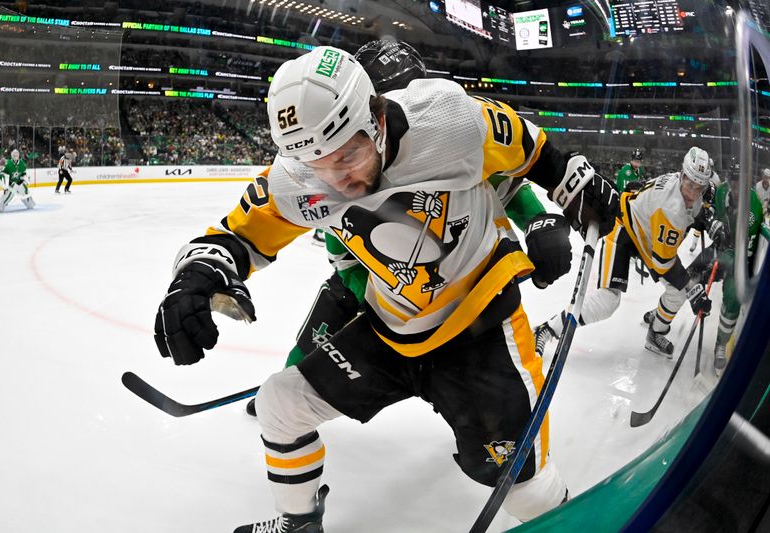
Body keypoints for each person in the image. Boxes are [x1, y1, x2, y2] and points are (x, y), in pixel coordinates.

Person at [153, 46, 618, 532]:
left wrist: (570, 181)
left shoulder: (451, 122)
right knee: (280, 404)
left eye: (349, 155)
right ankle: (300, 524)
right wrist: (196, 277)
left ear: (376, 118)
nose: (340, 179)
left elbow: (530, 148)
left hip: (479, 330)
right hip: (390, 327)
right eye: (320, 167)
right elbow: (237, 236)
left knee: (528, 490)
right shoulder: (297, 179)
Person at [244, 38, 572, 418]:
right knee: (328, 314)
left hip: (447, 280)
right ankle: (297, 379)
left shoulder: (440, 137)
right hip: (378, 272)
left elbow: (506, 180)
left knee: (475, 331)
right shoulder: (350, 154)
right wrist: (353, 276)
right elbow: (331, 217)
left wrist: (539, 223)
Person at [535, 147, 721, 358]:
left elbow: (692, 206)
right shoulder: (672, 210)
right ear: (682, 174)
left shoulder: (679, 184)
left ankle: (656, 329)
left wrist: (706, 215)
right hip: (623, 229)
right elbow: (663, 263)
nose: (693, 193)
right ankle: (548, 329)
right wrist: (692, 288)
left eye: (700, 187)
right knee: (608, 301)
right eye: (690, 184)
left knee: (676, 292)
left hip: (645, 232)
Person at [685, 179, 765, 375]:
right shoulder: (721, 192)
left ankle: (721, 343)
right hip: (721, 246)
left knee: (732, 296)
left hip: (739, 257)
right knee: (688, 275)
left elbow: (748, 249)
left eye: (741, 184)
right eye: (734, 183)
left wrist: (726, 259)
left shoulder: (754, 208)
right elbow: (708, 212)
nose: (737, 189)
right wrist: (712, 222)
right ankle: (662, 317)